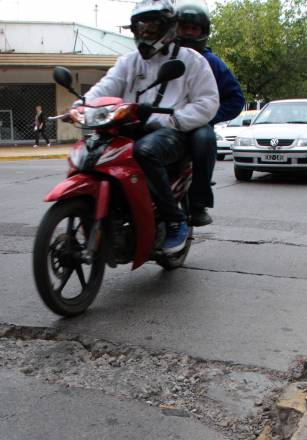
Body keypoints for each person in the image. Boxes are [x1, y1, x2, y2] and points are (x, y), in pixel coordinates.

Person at [83, 0, 219, 254]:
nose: (145, 33)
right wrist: (81, 106)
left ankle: (174, 220)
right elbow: (105, 87)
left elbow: (208, 102)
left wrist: (174, 119)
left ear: (167, 28)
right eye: (140, 28)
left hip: (173, 131)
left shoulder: (192, 60)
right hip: (130, 127)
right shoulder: (129, 61)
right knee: (94, 153)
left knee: (144, 151)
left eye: (151, 27)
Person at [176, 0, 245, 226]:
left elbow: (236, 100)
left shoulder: (212, 63)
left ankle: (198, 203)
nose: (188, 33)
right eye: (184, 27)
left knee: (204, 139)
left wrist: (207, 116)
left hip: (196, 125)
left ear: (203, 32)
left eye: (194, 28)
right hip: (164, 121)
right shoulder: (163, 56)